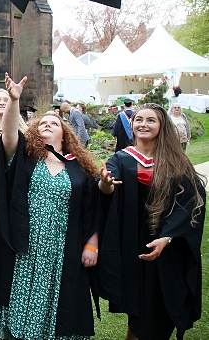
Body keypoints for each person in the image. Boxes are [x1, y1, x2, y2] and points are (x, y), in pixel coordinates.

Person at [0, 73, 100, 340]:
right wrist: (14, 100)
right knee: (21, 294)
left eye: (54, 122)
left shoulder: (78, 168)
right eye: (43, 123)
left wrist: (91, 244)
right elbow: (10, 133)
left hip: (62, 249)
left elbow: (92, 209)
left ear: (65, 133)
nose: (48, 124)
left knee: (58, 298)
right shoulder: (25, 158)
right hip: (25, 245)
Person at [98, 103, 205, 340]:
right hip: (134, 243)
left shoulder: (176, 161)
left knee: (162, 305)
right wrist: (105, 185)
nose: (143, 124)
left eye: (150, 120)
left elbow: (190, 201)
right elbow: (104, 189)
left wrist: (167, 237)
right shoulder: (121, 159)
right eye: (138, 120)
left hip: (168, 245)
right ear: (132, 125)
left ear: (161, 125)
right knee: (142, 310)